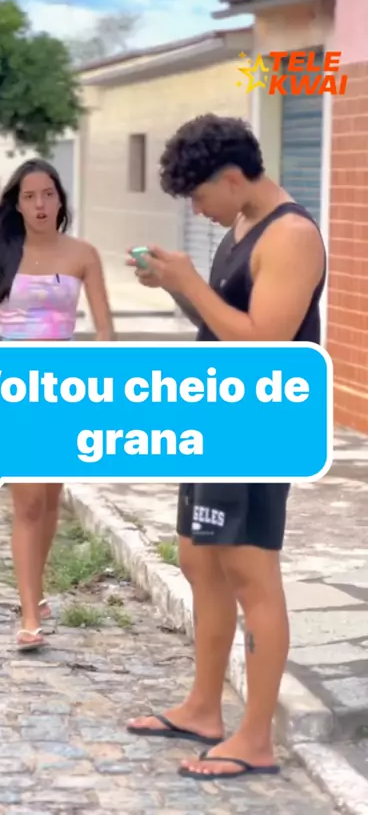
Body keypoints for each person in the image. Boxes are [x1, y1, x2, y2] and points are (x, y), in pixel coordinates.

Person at [125, 114, 326, 781]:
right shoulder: (241, 225)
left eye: (200, 195)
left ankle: (256, 738)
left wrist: (188, 283)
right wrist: (177, 285)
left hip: (261, 425)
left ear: (234, 178)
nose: (197, 210)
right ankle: (204, 708)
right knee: (198, 558)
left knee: (249, 572)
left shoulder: (292, 236)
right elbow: (225, 326)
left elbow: (266, 343)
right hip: (216, 416)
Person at [0, 158, 114, 651]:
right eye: (30, 197)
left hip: (67, 392)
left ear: (60, 199)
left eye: (48, 194)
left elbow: (105, 330)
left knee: (50, 498)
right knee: (28, 500)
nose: (40, 204)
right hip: (15, 392)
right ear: (18, 204)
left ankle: (37, 589)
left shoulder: (83, 255)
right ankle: (30, 616)